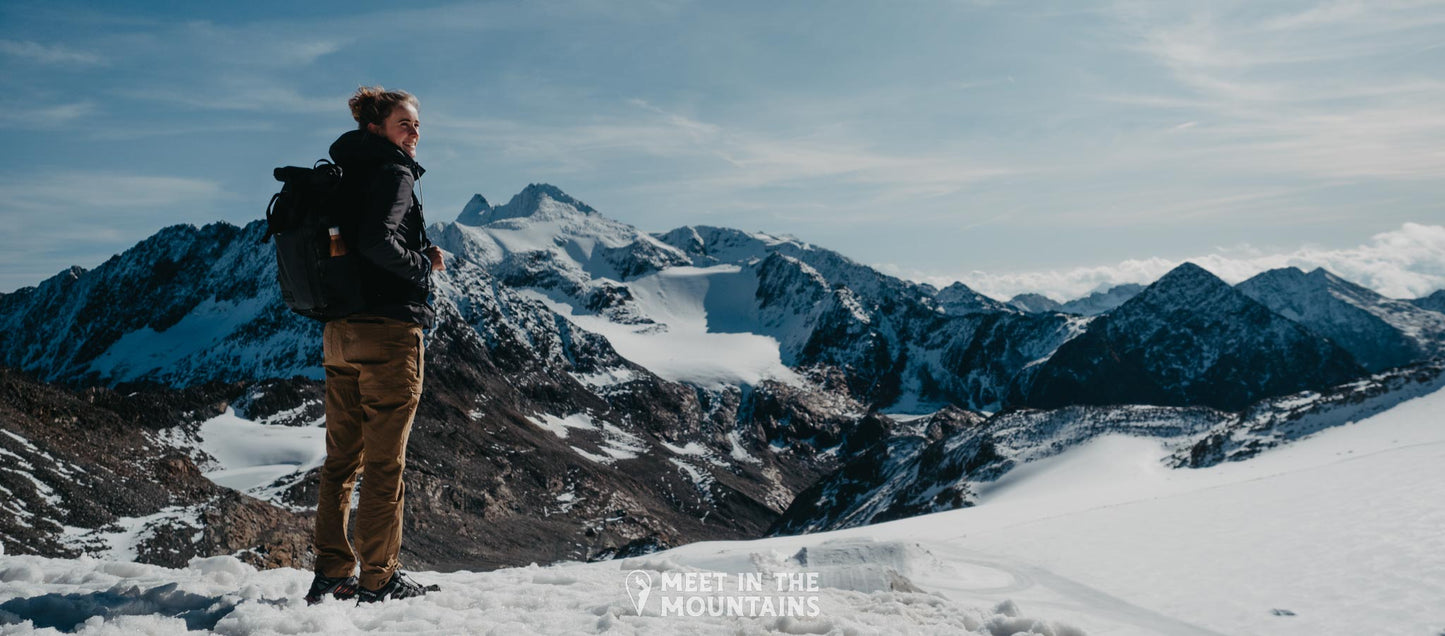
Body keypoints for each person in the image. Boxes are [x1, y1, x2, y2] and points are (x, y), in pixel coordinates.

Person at [305, 86, 445, 604]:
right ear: (375, 128)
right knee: (385, 463)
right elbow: (375, 241)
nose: (414, 133)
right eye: (404, 123)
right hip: (387, 334)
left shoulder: (343, 172)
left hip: (338, 334)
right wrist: (422, 266)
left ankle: (331, 572)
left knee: (341, 461)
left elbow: (356, 241)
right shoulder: (394, 172)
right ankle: (379, 578)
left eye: (416, 125)